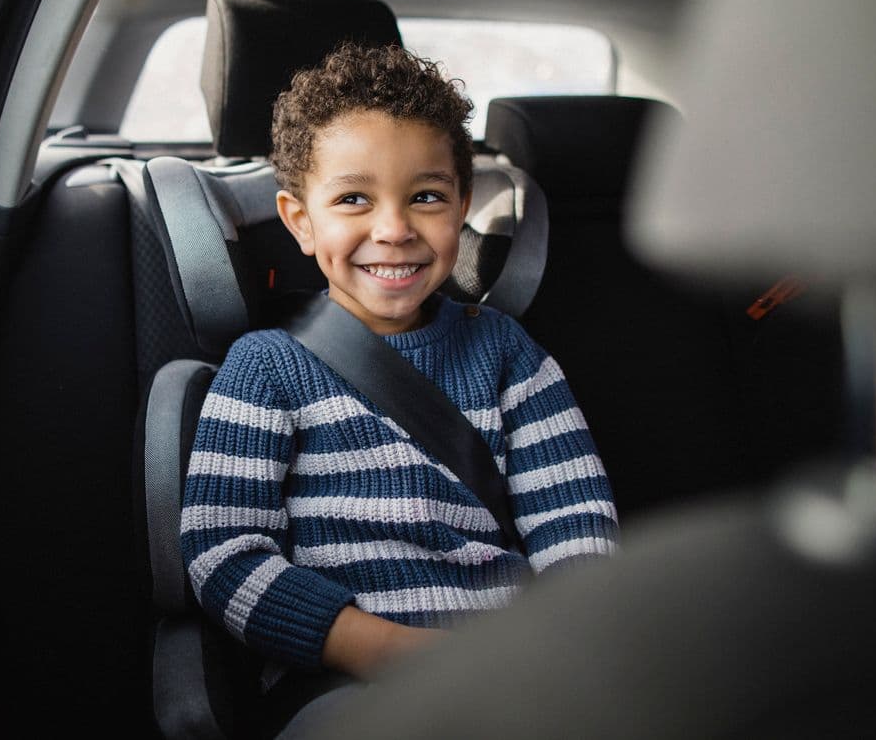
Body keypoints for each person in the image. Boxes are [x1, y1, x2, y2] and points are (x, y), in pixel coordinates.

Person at [178, 42, 619, 736]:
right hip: (345, 679)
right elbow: (224, 555)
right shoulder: (264, 368)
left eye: (426, 197)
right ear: (300, 220)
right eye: (354, 198)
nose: (393, 229)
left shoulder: (511, 356)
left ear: (461, 207)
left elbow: (576, 531)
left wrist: (555, 650)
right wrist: (395, 651)